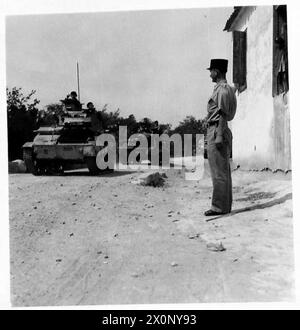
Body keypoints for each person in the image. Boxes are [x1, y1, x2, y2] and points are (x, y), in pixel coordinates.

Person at [204, 59, 237, 216]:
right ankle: (224, 206)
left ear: (216, 71)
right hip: (220, 130)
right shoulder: (226, 89)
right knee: (222, 171)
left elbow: (223, 114)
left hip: (218, 129)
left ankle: (218, 207)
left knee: (218, 172)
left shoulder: (222, 90)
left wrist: (218, 135)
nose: (210, 74)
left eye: (211, 71)